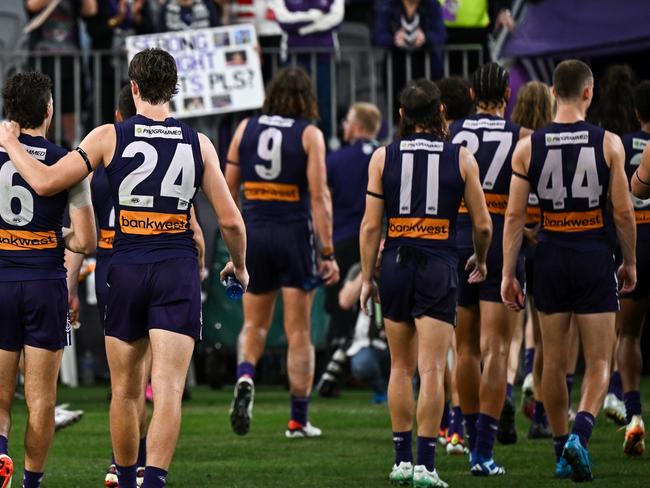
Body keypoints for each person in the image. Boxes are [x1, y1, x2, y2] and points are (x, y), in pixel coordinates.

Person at [0, 48, 248, 488]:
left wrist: (11, 144)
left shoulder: (108, 137)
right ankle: (152, 481)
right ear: (174, 89)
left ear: (133, 88)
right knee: (168, 389)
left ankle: (125, 476)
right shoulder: (199, 143)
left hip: (127, 268)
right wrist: (240, 267)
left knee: (125, 390)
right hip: (176, 266)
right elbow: (229, 220)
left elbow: (43, 181)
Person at [502, 59, 636, 481]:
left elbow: (513, 216)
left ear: (553, 93)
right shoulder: (608, 142)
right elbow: (623, 212)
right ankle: (580, 434)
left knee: (554, 364)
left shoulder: (528, 146)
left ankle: (562, 450)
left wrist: (509, 273)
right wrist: (629, 261)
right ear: (588, 93)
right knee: (599, 361)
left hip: (551, 252)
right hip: (593, 251)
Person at [359, 78, 492, 487]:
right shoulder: (462, 157)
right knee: (433, 368)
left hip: (397, 261)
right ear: (441, 115)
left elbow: (369, 227)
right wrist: (481, 259)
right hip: (438, 261)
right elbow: (483, 225)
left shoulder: (383, 156)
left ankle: (401, 460)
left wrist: (367, 278)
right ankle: (425, 465)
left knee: (400, 367)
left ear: (401, 115)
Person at [225, 67, 339, 439]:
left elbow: (228, 190)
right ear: (306, 99)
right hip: (293, 234)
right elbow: (320, 197)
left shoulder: (245, 129)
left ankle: (245, 375)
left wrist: (234, 246)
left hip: (254, 231)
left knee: (254, 324)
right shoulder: (309, 134)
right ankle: (297, 420)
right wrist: (327, 251)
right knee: (299, 331)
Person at [0, 71, 96, 488]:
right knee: (41, 400)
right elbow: (87, 240)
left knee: (0, 397)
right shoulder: (66, 161)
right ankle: (31, 483)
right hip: (44, 282)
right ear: (49, 111)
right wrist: (54, 234)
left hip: (1, 280)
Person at [449, 62, 530, 474]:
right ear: (507, 96)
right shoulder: (523, 136)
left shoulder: (452, 131)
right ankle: (483, 451)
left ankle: (466, 434)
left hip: (457, 237)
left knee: (464, 348)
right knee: (497, 348)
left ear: (470, 95)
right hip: (500, 240)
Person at [510, 80, 554, 439]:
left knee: (504, 336)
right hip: (546, 238)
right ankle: (541, 414)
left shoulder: (515, 142)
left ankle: (502, 398)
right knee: (544, 336)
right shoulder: (552, 143)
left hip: (512, 236)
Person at [324, 103, 381, 357]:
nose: (343, 126)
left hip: (343, 239)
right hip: (378, 240)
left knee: (340, 306)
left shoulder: (337, 159)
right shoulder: (384, 156)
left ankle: (337, 361)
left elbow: (322, 197)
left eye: (347, 121)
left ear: (357, 126)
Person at [617, 79, 650, 457]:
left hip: (638, 242)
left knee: (628, 335)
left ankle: (635, 416)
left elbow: (635, 191)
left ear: (638, 111)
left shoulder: (621, 145)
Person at [25, 0, 98, 147]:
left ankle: (73, 149)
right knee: (43, 107)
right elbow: (31, 5)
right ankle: (43, 147)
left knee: (71, 107)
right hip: (43, 59)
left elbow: (91, 10)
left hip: (70, 60)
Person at [374, 0, 447, 116]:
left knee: (428, 110)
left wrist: (425, 38)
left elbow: (441, 34)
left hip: (427, 68)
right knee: (398, 112)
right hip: (396, 70)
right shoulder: (387, 5)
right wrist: (394, 39)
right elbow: (378, 36)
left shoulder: (432, 4)